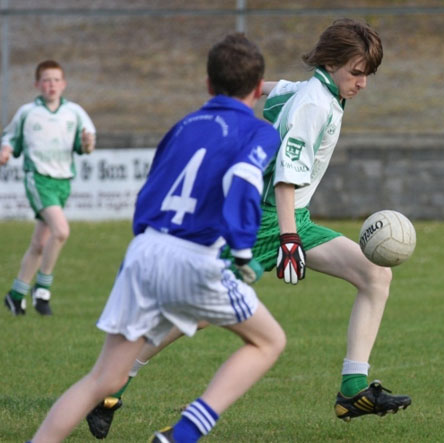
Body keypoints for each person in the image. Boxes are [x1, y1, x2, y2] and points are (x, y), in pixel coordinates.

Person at [85, 18, 412, 439]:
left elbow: (275, 93)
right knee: (197, 314)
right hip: (267, 218)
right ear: (331, 64)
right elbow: (286, 178)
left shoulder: (314, 90)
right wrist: (290, 240)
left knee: (374, 273)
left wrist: (246, 86)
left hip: (294, 216)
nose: (363, 83)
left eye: (367, 74)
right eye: (357, 72)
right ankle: (112, 385)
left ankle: (352, 389)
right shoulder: (314, 104)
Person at [28, 33, 284, 443]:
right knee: (268, 341)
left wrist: (143, 248)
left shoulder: (183, 126)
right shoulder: (259, 132)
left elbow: (151, 189)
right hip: (195, 256)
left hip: (144, 249)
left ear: (207, 84)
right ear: (258, 89)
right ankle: (181, 435)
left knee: (104, 378)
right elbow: (244, 179)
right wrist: (242, 252)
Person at [1, 60, 96, 316]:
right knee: (61, 231)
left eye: (55, 80)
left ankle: (15, 294)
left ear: (63, 84)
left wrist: (87, 143)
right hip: (38, 179)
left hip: (62, 181)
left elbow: (86, 146)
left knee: (39, 243)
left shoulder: (74, 113)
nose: (51, 84)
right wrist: (6, 150)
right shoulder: (27, 112)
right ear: (37, 84)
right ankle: (42, 290)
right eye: (46, 79)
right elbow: (9, 136)